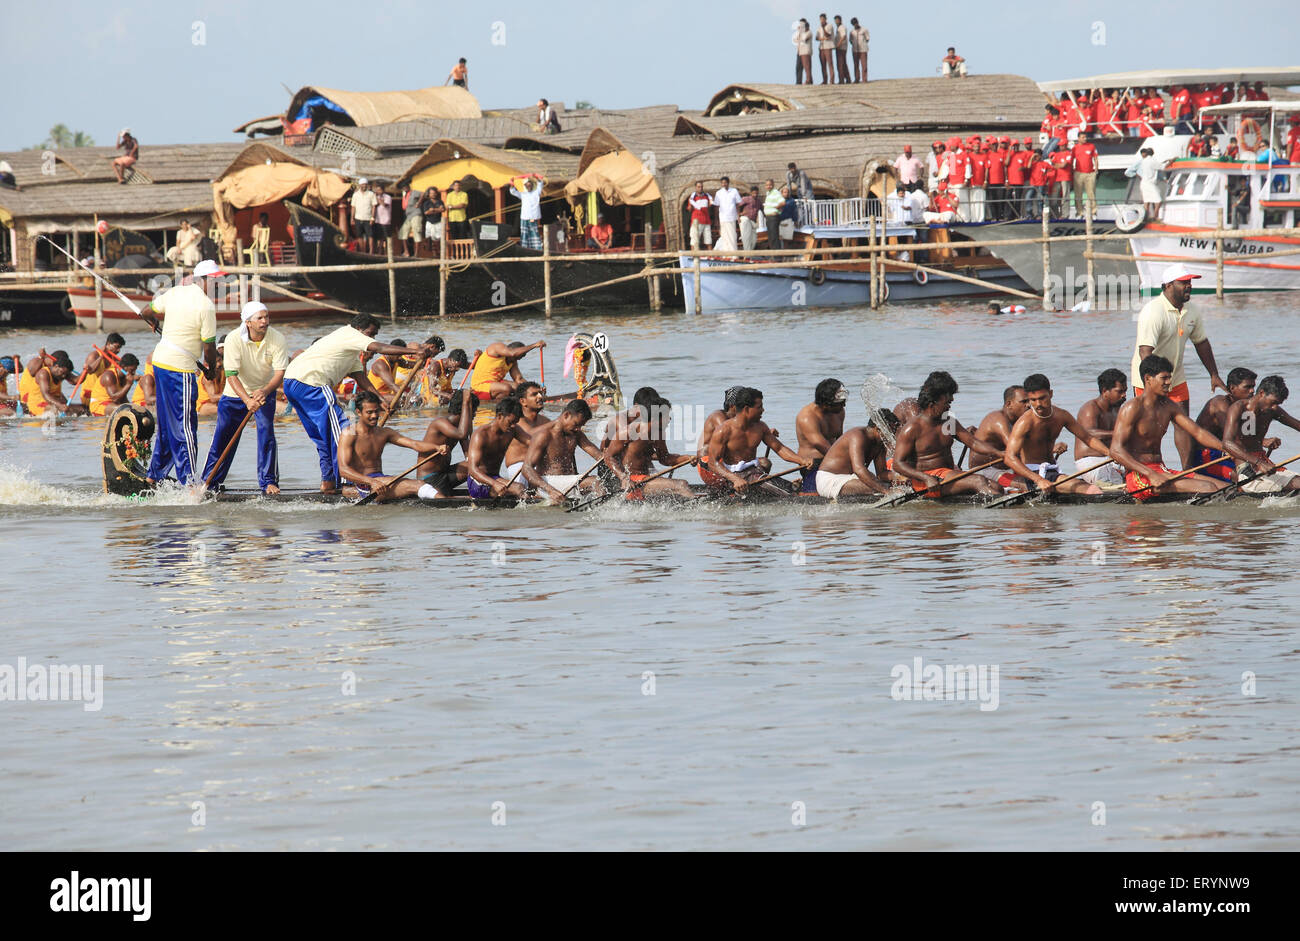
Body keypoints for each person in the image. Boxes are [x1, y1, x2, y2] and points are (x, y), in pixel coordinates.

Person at [282, 314, 437, 493]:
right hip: (311, 382)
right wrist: (412, 352)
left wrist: (380, 400)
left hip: (292, 383)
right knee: (343, 431)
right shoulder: (349, 333)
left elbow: (361, 379)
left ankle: (328, 483)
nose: (372, 339)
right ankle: (346, 484)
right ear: (359, 330)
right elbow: (380, 348)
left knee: (323, 437)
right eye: (371, 334)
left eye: (374, 335)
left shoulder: (351, 352)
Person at [1111, 355, 1268, 500]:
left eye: (1169, 378)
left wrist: (1227, 449)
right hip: (1140, 476)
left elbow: (1197, 432)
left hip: (1162, 471)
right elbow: (1116, 450)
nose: (1168, 382)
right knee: (1207, 487)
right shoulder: (1132, 408)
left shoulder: (1169, 406)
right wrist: (1150, 474)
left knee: (1229, 489)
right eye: (1164, 378)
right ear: (1148, 379)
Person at [1130, 263, 1226, 469]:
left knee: (1183, 423)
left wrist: (1214, 374)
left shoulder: (1192, 310)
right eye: (1184, 282)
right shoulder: (1153, 311)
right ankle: (1148, 468)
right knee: (1149, 427)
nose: (1189, 286)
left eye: (1190, 282)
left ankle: (1187, 470)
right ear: (1168, 285)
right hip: (1148, 379)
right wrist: (1152, 383)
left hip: (1176, 378)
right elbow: (1145, 351)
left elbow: (1201, 342)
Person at [141, 259, 223, 486]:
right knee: (185, 426)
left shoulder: (175, 292)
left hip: (160, 362)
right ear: (203, 281)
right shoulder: (206, 306)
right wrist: (211, 371)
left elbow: (145, 312)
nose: (219, 285)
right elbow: (209, 346)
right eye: (215, 281)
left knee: (168, 424)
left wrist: (155, 322)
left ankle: (153, 475)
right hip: (180, 370)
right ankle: (189, 482)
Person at [200, 301, 289, 493]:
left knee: (266, 434)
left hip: (263, 392)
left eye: (266, 317)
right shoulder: (233, 339)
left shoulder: (277, 338)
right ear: (248, 323)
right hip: (234, 394)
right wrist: (247, 400)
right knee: (222, 438)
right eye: (260, 318)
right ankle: (208, 483)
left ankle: (268, 482)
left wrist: (264, 392)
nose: (265, 321)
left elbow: (280, 373)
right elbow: (231, 375)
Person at [891, 371, 1003, 497]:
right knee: (979, 481)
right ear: (932, 401)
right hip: (928, 483)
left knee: (997, 487)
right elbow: (898, 464)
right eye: (948, 400)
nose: (952, 401)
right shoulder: (912, 428)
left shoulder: (948, 422)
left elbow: (973, 443)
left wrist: (1000, 453)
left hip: (948, 475)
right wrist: (926, 478)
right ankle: (1005, 510)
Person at [1002, 374, 1112, 495]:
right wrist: (1039, 480)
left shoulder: (1062, 415)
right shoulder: (1025, 423)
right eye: (1033, 400)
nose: (1038, 404)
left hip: (1053, 471)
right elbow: (1009, 457)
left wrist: (1110, 454)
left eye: (1042, 398)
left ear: (1051, 393)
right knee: (1093, 490)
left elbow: (1088, 438)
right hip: (1034, 474)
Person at [338, 391, 447, 502]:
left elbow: (414, 444)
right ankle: (448, 506)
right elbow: (343, 470)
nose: (374, 416)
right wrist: (372, 482)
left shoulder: (384, 433)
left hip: (381, 480)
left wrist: (436, 447)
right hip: (363, 485)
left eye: (376, 411)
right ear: (358, 412)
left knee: (421, 489)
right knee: (418, 485)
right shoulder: (349, 434)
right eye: (369, 412)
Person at [705, 387, 812, 494]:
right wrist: (735, 479)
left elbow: (780, 448)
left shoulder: (761, 427)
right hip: (736, 476)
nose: (763, 410)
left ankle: (788, 488)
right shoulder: (723, 431)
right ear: (746, 409)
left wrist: (802, 461)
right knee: (792, 492)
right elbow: (712, 463)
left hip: (756, 472)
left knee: (785, 482)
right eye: (759, 407)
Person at [523, 399, 628, 503]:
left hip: (570, 483)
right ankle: (604, 513)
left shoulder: (576, 434)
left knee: (606, 480)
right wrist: (551, 490)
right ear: (566, 415)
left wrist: (623, 475)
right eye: (576, 424)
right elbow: (526, 468)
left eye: (581, 426)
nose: (578, 429)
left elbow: (599, 457)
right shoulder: (544, 435)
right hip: (548, 484)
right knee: (595, 482)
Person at [1222, 375, 1300, 493]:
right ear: (1262, 393)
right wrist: (1258, 462)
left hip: (1264, 464)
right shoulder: (1239, 408)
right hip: (1246, 468)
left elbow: (1297, 425)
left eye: (1278, 404)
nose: (1275, 407)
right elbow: (1227, 443)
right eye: (1273, 402)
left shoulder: (1272, 410)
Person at [1192, 367, 1257, 480]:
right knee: (1242, 478)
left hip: (1228, 455)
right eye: (1247, 387)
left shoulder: (1246, 407)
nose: (1252, 391)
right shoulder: (1220, 403)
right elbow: (1236, 439)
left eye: (1253, 387)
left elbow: (1249, 438)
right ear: (1232, 388)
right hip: (1206, 458)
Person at [814, 411, 896, 498]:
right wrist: (887, 491)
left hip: (853, 479)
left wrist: (901, 477)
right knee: (882, 487)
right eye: (890, 431)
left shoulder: (881, 443)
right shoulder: (858, 436)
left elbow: (882, 473)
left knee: (889, 485)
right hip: (830, 479)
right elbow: (859, 469)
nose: (892, 435)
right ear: (877, 428)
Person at [465, 396, 531, 499]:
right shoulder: (480, 435)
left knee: (521, 488)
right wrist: (494, 484)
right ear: (500, 416)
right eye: (511, 422)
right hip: (477, 481)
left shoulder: (512, 430)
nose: (513, 426)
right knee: (518, 489)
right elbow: (472, 469)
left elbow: (532, 443)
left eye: (516, 422)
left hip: (496, 478)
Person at [416, 388, 477, 497]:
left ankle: (478, 491)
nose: (475, 414)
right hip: (429, 479)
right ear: (463, 411)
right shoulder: (440, 423)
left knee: (477, 464)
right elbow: (461, 434)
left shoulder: (459, 427)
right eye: (474, 411)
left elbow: (470, 457)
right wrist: (466, 403)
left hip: (445, 475)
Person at [968, 385, 1030, 490]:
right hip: (984, 470)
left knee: (1037, 478)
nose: (1028, 405)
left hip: (1005, 468)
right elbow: (1014, 449)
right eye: (1024, 401)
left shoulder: (1021, 420)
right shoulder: (998, 420)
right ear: (1009, 404)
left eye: (1029, 401)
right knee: (1028, 484)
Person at [1074, 368, 1128, 486]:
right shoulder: (1090, 408)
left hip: (1113, 459)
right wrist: (1117, 433)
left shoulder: (1118, 408)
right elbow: (1088, 434)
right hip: (1090, 461)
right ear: (1105, 391)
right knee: (1116, 484)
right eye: (1119, 391)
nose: (1124, 395)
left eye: (1125, 391)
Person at [795, 378, 848, 494]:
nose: (844, 405)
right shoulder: (807, 417)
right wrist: (847, 461)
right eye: (839, 403)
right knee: (815, 498)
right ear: (826, 404)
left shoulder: (839, 411)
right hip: (813, 464)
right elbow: (820, 445)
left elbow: (840, 440)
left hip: (835, 460)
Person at [501, 380, 552, 480]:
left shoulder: (546, 421)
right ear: (523, 401)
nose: (540, 397)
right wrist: (557, 422)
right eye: (534, 394)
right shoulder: (515, 422)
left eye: (540, 393)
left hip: (540, 466)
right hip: (518, 468)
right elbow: (531, 438)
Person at [469, 339, 546, 401]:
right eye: (519, 356)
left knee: (517, 387)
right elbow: (512, 353)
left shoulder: (513, 361)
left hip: (494, 384)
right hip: (478, 386)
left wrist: (536, 389)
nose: (517, 359)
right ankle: (495, 404)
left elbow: (519, 379)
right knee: (506, 388)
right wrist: (535, 345)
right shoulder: (496, 347)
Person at [19, 350, 83, 416]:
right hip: (36, 400)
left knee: (82, 409)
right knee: (57, 409)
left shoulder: (61, 371)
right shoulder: (43, 371)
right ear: (56, 365)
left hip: (50, 398)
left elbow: (75, 380)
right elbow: (32, 373)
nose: (64, 376)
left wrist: (85, 371)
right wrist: (42, 357)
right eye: (62, 373)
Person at [77, 333, 127, 407]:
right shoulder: (94, 355)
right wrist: (102, 356)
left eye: (120, 348)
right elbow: (90, 371)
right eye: (117, 347)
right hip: (89, 394)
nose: (118, 350)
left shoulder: (115, 359)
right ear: (108, 344)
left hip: (105, 394)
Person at [366, 338, 407, 408]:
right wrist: (406, 396)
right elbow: (392, 385)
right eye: (399, 355)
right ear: (391, 351)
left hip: (386, 394)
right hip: (373, 395)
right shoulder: (381, 364)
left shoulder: (397, 360)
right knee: (401, 400)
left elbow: (413, 365)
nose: (401, 358)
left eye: (402, 355)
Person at [510, 175, 545, 251]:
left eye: (529, 184)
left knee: (534, 232)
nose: (528, 186)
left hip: (533, 217)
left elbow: (540, 183)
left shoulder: (536, 192)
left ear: (532, 185)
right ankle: (525, 249)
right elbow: (513, 191)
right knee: (524, 234)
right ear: (525, 186)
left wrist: (536, 177)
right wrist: (512, 184)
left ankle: (537, 249)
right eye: (527, 185)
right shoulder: (523, 194)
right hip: (524, 217)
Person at [1071, 131, 1099, 219]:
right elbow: (1072, 160)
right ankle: (1079, 213)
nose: (1085, 139)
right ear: (1078, 138)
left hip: (1090, 173)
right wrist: (1073, 171)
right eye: (1083, 137)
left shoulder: (1091, 146)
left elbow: (1095, 158)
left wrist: (1096, 170)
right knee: (1078, 194)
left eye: (1085, 137)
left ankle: (1093, 212)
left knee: (1091, 193)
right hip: (1078, 173)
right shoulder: (1075, 148)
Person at [714, 177, 742, 252]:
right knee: (724, 237)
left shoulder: (734, 191)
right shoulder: (718, 193)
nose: (724, 184)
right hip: (723, 218)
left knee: (732, 236)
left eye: (725, 182)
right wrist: (716, 219)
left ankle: (734, 255)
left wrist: (738, 215)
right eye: (722, 183)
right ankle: (726, 255)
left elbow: (738, 204)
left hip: (732, 217)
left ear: (728, 183)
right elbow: (716, 207)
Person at [350, 179, 376, 254]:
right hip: (358, 218)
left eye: (365, 184)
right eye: (362, 184)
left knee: (370, 235)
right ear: (360, 185)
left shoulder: (371, 194)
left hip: (368, 218)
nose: (364, 186)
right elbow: (353, 207)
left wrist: (372, 217)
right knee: (359, 235)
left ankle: (371, 251)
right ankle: (362, 251)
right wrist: (352, 218)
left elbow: (374, 206)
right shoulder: (355, 195)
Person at [398, 183, 424, 256]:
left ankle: (416, 254)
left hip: (416, 214)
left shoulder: (414, 192)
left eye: (406, 187)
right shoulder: (404, 195)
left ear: (408, 187)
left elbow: (422, 194)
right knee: (402, 233)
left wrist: (419, 203)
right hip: (408, 216)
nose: (404, 188)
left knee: (416, 232)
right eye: (403, 187)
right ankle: (406, 252)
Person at [687, 182, 713, 251]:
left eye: (701, 187)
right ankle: (694, 257)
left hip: (707, 221)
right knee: (694, 240)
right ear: (695, 188)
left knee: (709, 241)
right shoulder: (693, 197)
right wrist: (691, 206)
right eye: (698, 187)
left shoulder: (707, 196)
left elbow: (710, 205)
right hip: (696, 221)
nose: (700, 188)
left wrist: (710, 202)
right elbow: (689, 209)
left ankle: (711, 257)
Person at [738, 185, 762, 252]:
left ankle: (749, 254)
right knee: (746, 238)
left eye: (756, 193)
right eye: (754, 193)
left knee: (754, 240)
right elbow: (737, 205)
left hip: (753, 222)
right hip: (745, 219)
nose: (755, 195)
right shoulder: (746, 199)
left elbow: (762, 211)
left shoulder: (759, 201)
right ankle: (747, 254)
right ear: (751, 193)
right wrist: (739, 215)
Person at [763, 179, 785, 250]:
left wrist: (776, 208)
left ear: (773, 185)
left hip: (773, 217)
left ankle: (777, 258)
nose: (768, 186)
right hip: (769, 218)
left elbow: (783, 202)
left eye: (770, 185)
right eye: (767, 185)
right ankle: (774, 255)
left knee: (774, 237)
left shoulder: (775, 192)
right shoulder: (768, 193)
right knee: (771, 237)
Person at [372, 183, 392, 252]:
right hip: (378, 220)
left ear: (383, 190)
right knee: (379, 238)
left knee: (387, 238)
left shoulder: (387, 197)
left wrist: (378, 200)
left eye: (379, 190)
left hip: (386, 221)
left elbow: (384, 204)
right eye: (377, 190)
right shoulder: (375, 197)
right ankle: (379, 251)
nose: (378, 192)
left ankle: (388, 252)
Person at [815, 14, 835, 84]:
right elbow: (816, 38)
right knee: (823, 64)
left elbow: (828, 35)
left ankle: (832, 80)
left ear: (826, 19)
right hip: (821, 47)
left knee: (830, 64)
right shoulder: (819, 28)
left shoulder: (829, 26)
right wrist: (822, 38)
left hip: (828, 47)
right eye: (820, 19)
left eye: (823, 19)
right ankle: (824, 80)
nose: (822, 21)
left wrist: (823, 28)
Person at [849, 17, 869, 83]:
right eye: (853, 24)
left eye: (855, 23)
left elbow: (867, 39)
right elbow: (850, 40)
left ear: (857, 22)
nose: (855, 25)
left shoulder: (864, 30)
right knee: (856, 65)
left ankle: (864, 79)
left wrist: (862, 43)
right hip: (855, 50)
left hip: (863, 49)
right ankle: (857, 79)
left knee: (864, 65)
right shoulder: (852, 32)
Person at [833, 15, 851, 84]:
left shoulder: (842, 27)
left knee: (840, 64)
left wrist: (838, 45)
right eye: (835, 20)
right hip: (839, 48)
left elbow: (843, 36)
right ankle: (847, 79)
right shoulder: (838, 28)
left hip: (841, 48)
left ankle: (841, 80)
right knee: (843, 64)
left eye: (837, 20)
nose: (836, 22)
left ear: (840, 20)